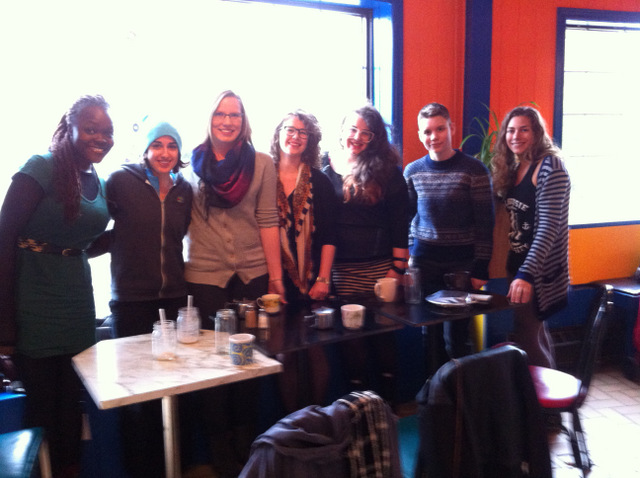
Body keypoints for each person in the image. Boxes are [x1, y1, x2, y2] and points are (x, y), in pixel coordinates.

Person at [0, 94, 113, 478]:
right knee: (42, 408)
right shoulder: (41, 167)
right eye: (92, 129)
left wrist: (122, 235)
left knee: (71, 407)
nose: (101, 138)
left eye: (107, 132)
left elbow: (77, 245)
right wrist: (5, 326)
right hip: (34, 303)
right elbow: (5, 238)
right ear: (71, 128)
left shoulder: (97, 180)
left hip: (76, 305)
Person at [182, 90, 282, 477]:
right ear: (209, 119)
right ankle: (220, 451)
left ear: (244, 120)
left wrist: (275, 278)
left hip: (252, 276)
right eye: (220, 114)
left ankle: (246, 445)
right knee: (213, 366)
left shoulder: (262, 163)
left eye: (234, 115)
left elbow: (268, 220)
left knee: (248, 362)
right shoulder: (190, 165)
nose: (227, 121)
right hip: (205, 277)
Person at [88, 120, 192, 477]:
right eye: (157, 145)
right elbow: (93, 223)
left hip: (173, 299)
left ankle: (173, 466)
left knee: (174, 387)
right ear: (146, 150)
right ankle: (140, 470)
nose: (165, 152)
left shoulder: (184, 190)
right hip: (130, 301)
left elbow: (181, 235)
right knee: (136, 393)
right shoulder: (120, 180)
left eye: (172, 146)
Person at [322, 104, 410, 403]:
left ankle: (390, 410)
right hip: (340, 273)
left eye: (366, 133)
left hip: (380, 271)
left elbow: (400, 223)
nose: (357, 137)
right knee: (351, 344)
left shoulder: (387, 172)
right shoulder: (325, 167)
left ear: (375, 138)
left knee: (383, 340)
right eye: (352, 129)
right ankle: (358, 413)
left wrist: (397, 269)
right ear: (342, 131)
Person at [404, 102, 494, 364]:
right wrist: (409, 256)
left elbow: (485, 223)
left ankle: (459, 390)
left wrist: (481, 268)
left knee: (456, 338)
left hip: (461, 266)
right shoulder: (412, 171)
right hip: (424, 264)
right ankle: (435, 388)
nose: (433, 137)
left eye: (440, 129)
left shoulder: (474, 170)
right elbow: (407, 218)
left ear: (452, 128)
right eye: (427, 131)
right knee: (428, 334)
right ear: (420, 135)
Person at [492, 106, 571, 368]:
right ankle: (552, 390)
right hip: (517, 265)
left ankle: (545, 394)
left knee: (527, 335)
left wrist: (526, 274)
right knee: (535, 332)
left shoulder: (550, 166)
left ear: (537, 133)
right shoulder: (516, 167)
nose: (516, 136)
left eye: (524, 130)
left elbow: (549, 227)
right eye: (511, 130)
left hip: (537, 270)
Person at [270, 109, 337, 412]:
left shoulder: (319, 181)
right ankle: (291, 423)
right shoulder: (264, 178)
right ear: (278, 134)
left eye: (302, 132)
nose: (295, 136)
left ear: (310, 140)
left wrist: (323, 279)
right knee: (285, 353)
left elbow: (330, 234)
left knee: (315, 349)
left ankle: (316, 416)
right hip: (276, 281)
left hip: (313, 281)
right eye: (290, 129)